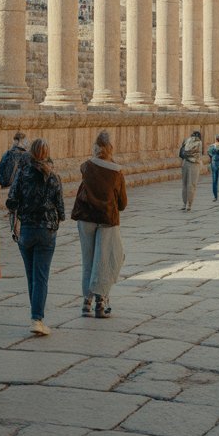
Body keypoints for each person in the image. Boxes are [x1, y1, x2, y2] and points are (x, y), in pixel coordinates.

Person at [6, 138, 64, 336]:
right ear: (47, 154)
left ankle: (35, 316)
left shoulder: (22, 174)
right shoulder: (54, 177)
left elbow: (11, 201)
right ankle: (37, 319)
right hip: (47, 232)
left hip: (27, 231)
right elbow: (62, 210)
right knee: (41, 277)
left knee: (31, 276)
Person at [71, 130, 128, 318]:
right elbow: (123, 203)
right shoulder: (117, 172)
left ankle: (86, 303)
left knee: (88, 260)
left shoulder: (86, 166)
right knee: (103, 260)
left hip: (85, 217)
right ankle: (100, 303)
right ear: (110, 148)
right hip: (107, 220)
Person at [179, 130, 203, 211]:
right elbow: (199, 154)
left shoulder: (186, 140)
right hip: (194, 164)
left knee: (184, 184)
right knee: (192, 185)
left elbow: (181, 153)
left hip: (185, 163)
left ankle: (184, 203)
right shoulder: (199, 142)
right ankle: (189, 204)